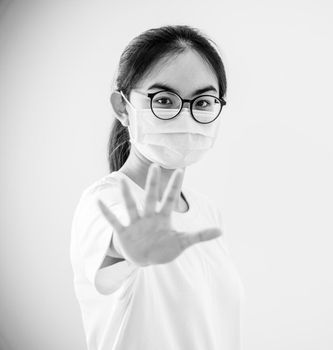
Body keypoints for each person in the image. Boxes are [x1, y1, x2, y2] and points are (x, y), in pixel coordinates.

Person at [69, 25, 245, 350]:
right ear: (123, 108)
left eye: (203, 102)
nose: (186, 116)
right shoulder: (103, 202)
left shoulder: (206, 211)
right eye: (164, 99)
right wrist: (125, 248)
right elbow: (115, 242)